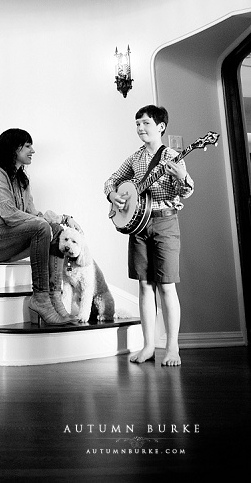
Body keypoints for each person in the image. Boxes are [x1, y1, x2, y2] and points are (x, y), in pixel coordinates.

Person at [0, 128, 83, 325]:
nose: (32, 150)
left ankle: (53, 296)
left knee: (57, 231)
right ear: (13, 149)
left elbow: (33, 214)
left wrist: (63, 219)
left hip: (8, 241)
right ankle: (40, 299)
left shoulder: (21, 178)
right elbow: (8, 214)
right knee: (42, 228)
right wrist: (43, 224)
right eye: (27, 146)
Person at [104, 104, 194, 366]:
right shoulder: (135, 158)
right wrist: (114, 196)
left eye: (145, 123)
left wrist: (182, 177)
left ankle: (172, 348)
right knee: (144, 284)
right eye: (137, 124)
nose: (140, 128)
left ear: (161, 127)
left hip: (165, 223)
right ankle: (148, 346)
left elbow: (186, 191)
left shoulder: (174, 156)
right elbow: (111, 181)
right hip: (138, 226)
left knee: (166, 285)